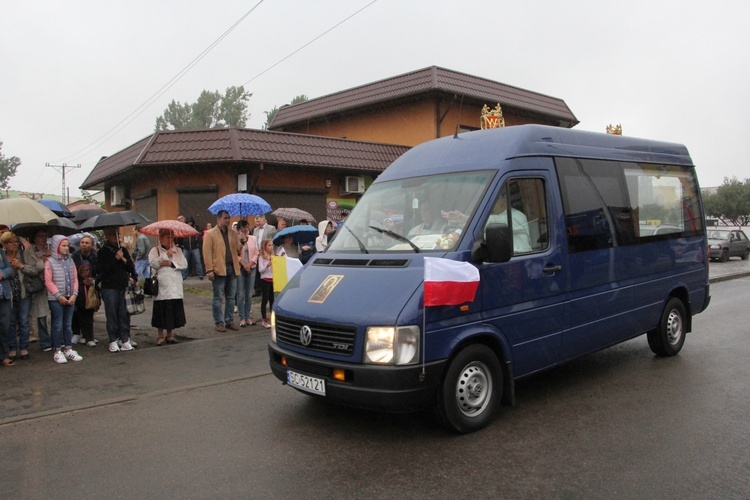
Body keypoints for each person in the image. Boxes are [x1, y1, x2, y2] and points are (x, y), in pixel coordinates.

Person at [44, 235, 83, 364]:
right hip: (56, 298)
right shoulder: (50, 262)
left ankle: (68, 348)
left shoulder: (70, 260)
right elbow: (48, 281)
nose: (67, 248)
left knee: (67, 324)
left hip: (69, 296)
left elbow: (75, 278)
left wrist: (74, 294)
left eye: (68, 245)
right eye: (64, 245)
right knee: (57, 324)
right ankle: (57, 350)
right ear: (57, 246)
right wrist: (58, 295)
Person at [98, 227, 138, 352]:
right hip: (109, 287)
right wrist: (115, 259)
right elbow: (103, 270)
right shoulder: (103, 251)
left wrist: (123, 259)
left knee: (123, 313)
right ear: (108, 237)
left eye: (118, 234)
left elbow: (131, 268)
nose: (117, 237)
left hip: (122, 285)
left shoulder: (123, 250)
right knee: (112, 314)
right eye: (114, 235)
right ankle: (112, 339)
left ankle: (125, 339)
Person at [203, 210, 242, 332]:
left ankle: (229, 320)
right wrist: (209, 270)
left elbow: (238, 250)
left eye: (229, 218)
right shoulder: (210, 234)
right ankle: (219, 322)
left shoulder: (232, 233)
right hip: (219, 268)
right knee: (218, 297)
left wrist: (242, 240)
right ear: (218, 219)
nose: (227, 220)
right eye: (225, 218)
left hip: (232, 267)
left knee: (231, 297)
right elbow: (207, 253)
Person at [149, 228, 187, 346]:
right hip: (162, 286)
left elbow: (184, 264)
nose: (170, 240)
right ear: (161, 238)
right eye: (167, 237)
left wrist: (171, 263)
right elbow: (154, 264)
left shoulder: (178, 250)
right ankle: (160, 335)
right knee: (161, 310)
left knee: (172, 310)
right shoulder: (155, 250)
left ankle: (169, 334)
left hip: (174, 285)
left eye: (171, 237)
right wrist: (165, 256)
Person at [1, 232, 31, 362]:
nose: (15, 245)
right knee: (10, 323)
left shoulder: (20, 256)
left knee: (22, 321)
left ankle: (22, 348)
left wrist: (4, 272)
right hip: (9, 293)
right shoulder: (3, 254)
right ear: (5, 244)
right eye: (11, 242)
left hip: (18, 293)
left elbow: (8, 269)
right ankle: (11, 348)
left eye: (16, 242)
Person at [22, 229, 53, 353]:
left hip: (53, 285)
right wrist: (43, 262)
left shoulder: (51, 249)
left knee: (55, 313)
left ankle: (57, 339)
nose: (44, 239)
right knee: (42, 315)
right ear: (34, 238)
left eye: (45, 236)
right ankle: (45, 341)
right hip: (39, 286)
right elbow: (30, 269)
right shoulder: (29, 252)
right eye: (40, 236)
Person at [71, 234, 99, 347]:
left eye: (87, 243)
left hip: (91, 288)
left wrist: (93, 280)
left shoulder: (95, 257)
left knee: (89, 311)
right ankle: (78, 333)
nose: (84, 245)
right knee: (78, 311)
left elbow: (98, 271)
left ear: (92, 245)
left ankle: (89, 336)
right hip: (78, 287)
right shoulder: (74, 256)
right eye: (82, 242)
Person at [237, 220, 258, 327]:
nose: (245, 229)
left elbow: (256, 252)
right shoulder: (237, 239)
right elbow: (235, 253)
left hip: (251, 267)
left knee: (249, 294)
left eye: (246, 227)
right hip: (241, 268)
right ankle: (242, 317)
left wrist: (250, 264)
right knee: (240, 294)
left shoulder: (253, 238)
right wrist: (243, 264)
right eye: (243, 227)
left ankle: (248, 316)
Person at [0, 243, 14, 367]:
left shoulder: (0, 252)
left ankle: (4, 355)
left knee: (4, 326)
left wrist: (2, 274)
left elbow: (10, 268)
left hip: (3, 295)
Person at [257, 238, 275, 328]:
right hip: (265, 279)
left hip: (272, 279)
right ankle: (264, 319)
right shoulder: (261, 257)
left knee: (272, 299)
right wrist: (267, 265)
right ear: (265, 246)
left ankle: (272, 318)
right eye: (269, 245)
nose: (271, 247)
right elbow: (260, 270)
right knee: (265, 299)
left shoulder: (273, 256)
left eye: (272, 245)